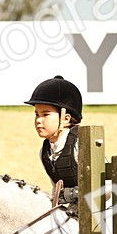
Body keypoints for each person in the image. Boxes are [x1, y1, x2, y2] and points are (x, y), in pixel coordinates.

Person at [26, 75, 84, 217]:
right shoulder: (45, 152)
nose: (38, 121)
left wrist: (70, 194)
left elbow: (105, 190)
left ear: (65, 118)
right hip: (76, 210)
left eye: (45, 114)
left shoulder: (80, 144)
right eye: (36, 114)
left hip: (107, 211)